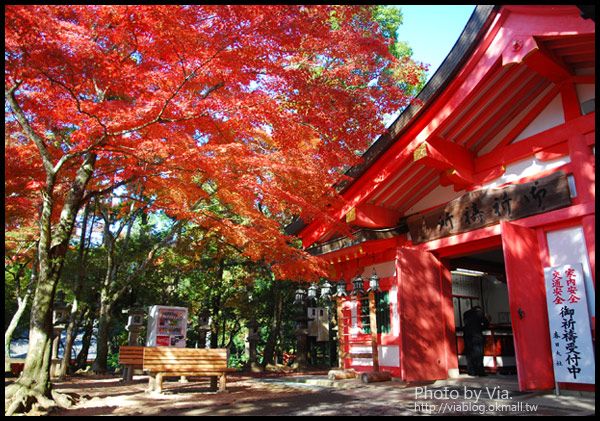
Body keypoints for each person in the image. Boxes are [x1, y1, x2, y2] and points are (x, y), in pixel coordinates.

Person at [463, 306, 489, 376]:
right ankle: (480, 372)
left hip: (467, 336)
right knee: (479, 354)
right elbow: (486, 324)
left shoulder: (466, 313)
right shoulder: (479, 313)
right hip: (476, 336)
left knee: (469, 354)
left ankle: (471, 371)